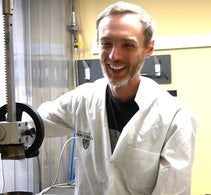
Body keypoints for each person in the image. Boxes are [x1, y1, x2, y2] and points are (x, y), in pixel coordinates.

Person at [37, 1, 196, 195]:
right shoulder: (83, 99)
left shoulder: (175, 118)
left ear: (149, 49)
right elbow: (33, 123)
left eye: (128, 45)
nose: (114, 55)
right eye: (106, 43)